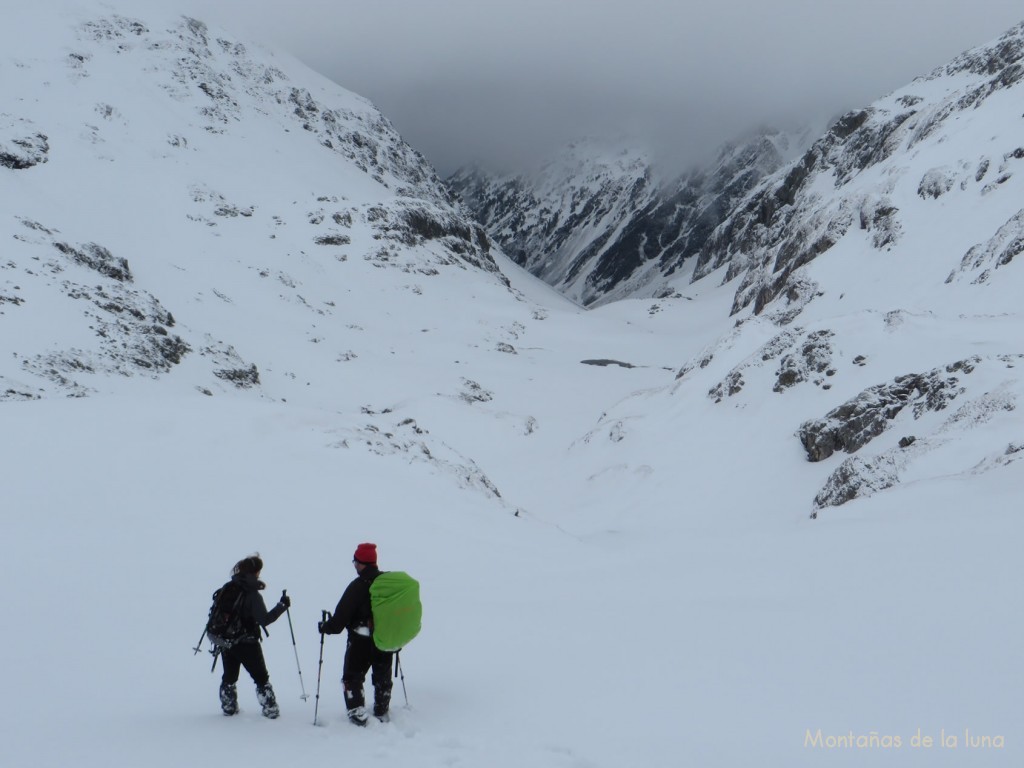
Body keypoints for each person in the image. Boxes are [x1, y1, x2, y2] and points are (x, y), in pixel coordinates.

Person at [318, 542, 393, 725]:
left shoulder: (358, 586)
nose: (354, 565)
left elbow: (340, 619)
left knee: (353, 677)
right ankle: (381, 709)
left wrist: (325, 627)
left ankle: (358, 713)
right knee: (382, 673)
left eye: (355, 561)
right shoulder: (388, 583)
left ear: (362, 563)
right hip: (385, 637)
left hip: (361, 639)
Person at [217, 554, 290, 718]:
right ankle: (270, 709)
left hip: (226, 640)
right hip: (247, 641)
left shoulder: (228, 587)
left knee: (229, 676)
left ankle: (229, 706)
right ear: (255, 572)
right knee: (261, 678)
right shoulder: (252, 594)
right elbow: (264, 619)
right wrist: (282, 606)